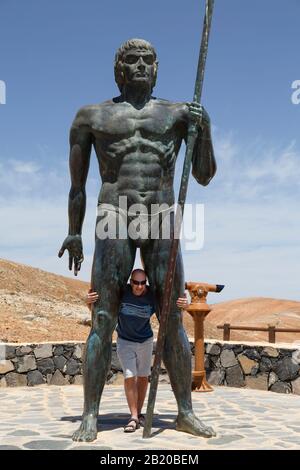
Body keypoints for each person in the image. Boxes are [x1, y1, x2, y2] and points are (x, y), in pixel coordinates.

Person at [58, 38, 217, 442]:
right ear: (120, 69)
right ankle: (90, 415)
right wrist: (74, 231)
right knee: (103, 317)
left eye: (147, 60)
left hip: (162, 216)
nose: (141, 65)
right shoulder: (91, 117)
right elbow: (77, 186)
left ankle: (184, 412)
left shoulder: (180, 114)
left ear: (157, 68)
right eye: (132, 60)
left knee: (172, 319)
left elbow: (203, 175)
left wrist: (205, 128)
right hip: (114, 215)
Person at [87, 268, 188, 432]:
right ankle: (133, 417)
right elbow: (99, 311)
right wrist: (89, 302)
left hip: (145, 341)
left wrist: (184, 305)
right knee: (129, 376)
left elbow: (169, 311)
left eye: (142, 283)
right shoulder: (122, 294)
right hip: (125, 341)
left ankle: (139, 413)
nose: (139, 287)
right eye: (136, 283)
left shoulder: (151, 296)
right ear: (130, 282)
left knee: (143, 377)